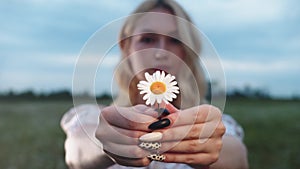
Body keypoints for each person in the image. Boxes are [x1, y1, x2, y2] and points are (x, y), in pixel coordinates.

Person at [61, 0, 249, 169]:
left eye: (175, 41)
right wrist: (105, 143)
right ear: (126, 48)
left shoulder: (214, 124)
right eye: (148, 39)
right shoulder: (95, 116)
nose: (160, 52)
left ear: (187, 52)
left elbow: (237, 157)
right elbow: (78, 150)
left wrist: (205, 147)